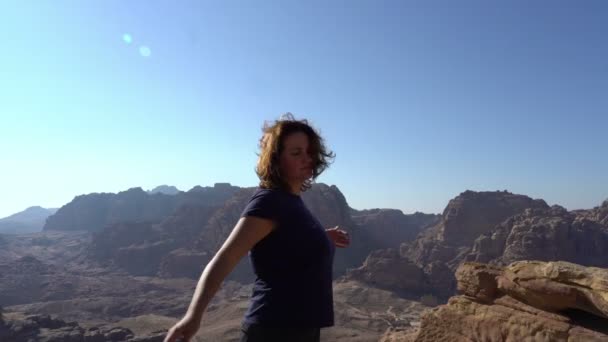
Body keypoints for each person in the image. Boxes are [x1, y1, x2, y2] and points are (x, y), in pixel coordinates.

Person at [164, 114, 350, 342]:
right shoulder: (269, 201)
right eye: (296, 153)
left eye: (309, 151)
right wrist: (193, 317)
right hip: (274, 331)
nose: (307, 158)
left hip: (302, 329)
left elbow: (284, 242)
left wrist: (320, 237)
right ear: (275, 159)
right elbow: (224, 259)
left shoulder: (292, 199)